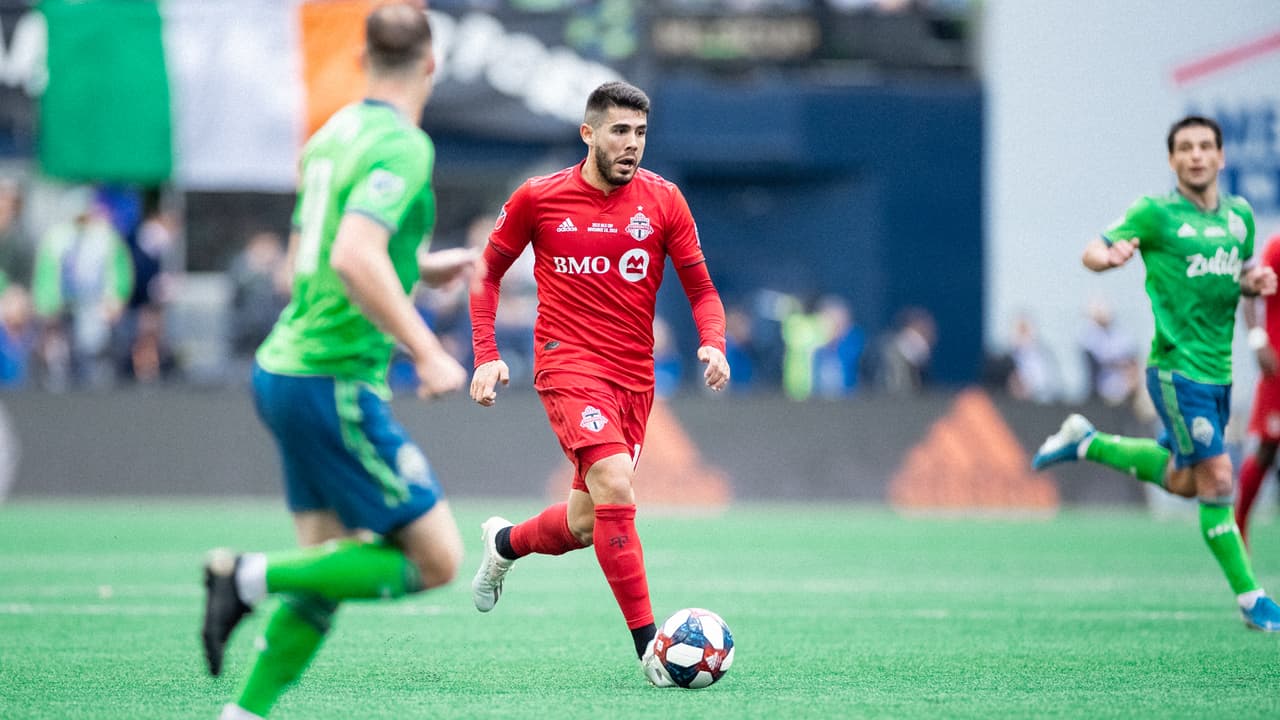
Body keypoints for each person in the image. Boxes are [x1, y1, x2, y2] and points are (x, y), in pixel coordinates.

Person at [199, 7, 478, 719]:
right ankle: (245, 577)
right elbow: (353, 255)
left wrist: (418, 265)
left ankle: (243, 714)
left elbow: (308, 258)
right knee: (436, 559)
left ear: (361, 61)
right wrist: (428, 351)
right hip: (332, 376)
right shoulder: (404, 145)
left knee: (328, 569)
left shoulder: (330, 136)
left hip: (285, 370)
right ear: (431, 65)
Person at [467, 80, 730, 687]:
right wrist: (485, 354)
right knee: (615, 480)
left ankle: (505, 543)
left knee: (586, 524)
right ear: (588, 134)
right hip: (567, 365)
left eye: (640, 132)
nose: (631, 143)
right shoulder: (538, 198)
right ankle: (651, 648)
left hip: (634, 379)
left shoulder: (664, 201)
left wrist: (713, 341)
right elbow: (486, 273)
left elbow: (701, 289)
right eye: (619, 131)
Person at [1032, 115, 1280, 631]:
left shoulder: (1239, 217)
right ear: (1172, 160)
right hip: (1175, 369)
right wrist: (1108, 258)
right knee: (1219, 477)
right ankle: (1252, 600)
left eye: (1205, 146)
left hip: (1218, 373)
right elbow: (1092, 250)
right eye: (1185, 148)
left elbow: (1235, 274)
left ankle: (1088, 443)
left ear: (1221, 157)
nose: (1196, 155)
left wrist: (1251, 282)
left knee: (1186, 481)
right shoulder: (1155, 214)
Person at [1236, 232, 1280, 545]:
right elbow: (1249, 291)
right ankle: (1239, 523)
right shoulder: (1277, 248)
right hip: (1277, 365)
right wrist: (1257, 339)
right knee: (1267, 447)